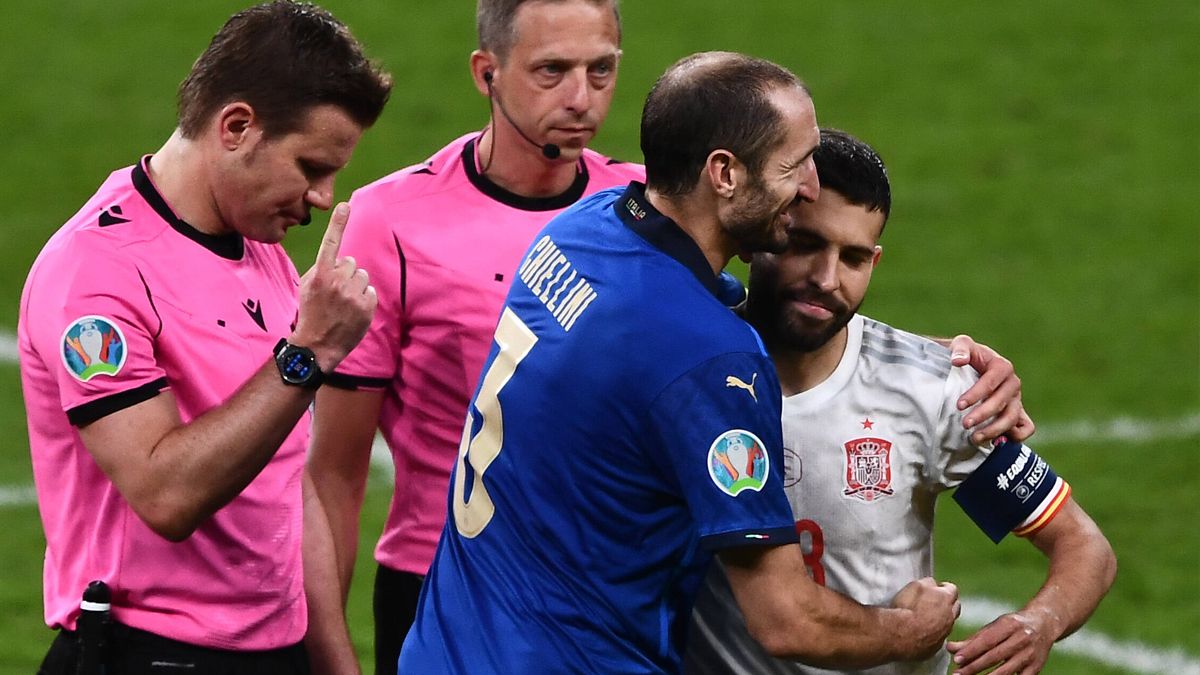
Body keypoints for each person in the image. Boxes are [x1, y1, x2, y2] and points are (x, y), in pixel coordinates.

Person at [307, 2, 1027, 670]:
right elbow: (787, 621)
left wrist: (933, 362)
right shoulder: (712, 364)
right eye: (793, 165)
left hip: (449, 645)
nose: (810, 187)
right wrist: (914, 627)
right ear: (721, 174)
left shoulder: (579, 231)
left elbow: (695, 327)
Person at [18, 2, 392, 673]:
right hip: (147, 653)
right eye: (310, 166)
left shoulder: (259, 249)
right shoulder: (95, 274)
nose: (323, 196)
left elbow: (287, 478)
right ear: (237, 127)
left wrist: (335, 662)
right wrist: (307, 356)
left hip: (275, 652)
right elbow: (166, 493)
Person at [685, 129, 1117, 675]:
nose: (827, 279)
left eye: (854, 258)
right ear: (765, 234)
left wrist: (1041, 621)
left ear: (876, 261)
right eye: (808, 245)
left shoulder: (929, 390)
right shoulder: (685, 377)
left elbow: (1083, 545)